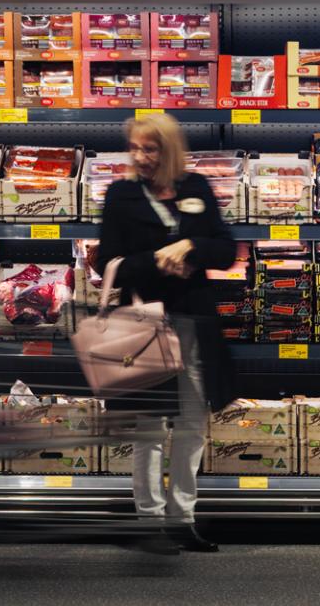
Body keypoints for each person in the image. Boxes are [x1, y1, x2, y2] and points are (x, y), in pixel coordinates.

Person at [94, 113, 238, 555]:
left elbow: (227, 250)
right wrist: (158, 259)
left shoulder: (196, 188)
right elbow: (106, 263)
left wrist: (192, 247)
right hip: (143, 318)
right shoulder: (120, 195)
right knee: (149, 425)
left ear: (169, 150)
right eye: (135, 148)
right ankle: (150, 519)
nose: (140, 157)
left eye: (150, 149)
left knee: (193, 422)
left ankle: (183, 518)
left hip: (193, 318)